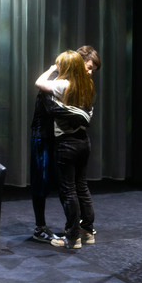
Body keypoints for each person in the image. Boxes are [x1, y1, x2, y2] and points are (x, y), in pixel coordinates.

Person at [29, 46, 100, 243]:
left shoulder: (77, 84)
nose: (90, 72)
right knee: (48, 183)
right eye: (88, 67)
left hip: (64, 140)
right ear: (76, 63)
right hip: (45, 137)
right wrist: (83, 116)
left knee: (71, 187)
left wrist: (83, 116)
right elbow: (54, 109)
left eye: (92, 69)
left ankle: (76, 230)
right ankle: (47, 228)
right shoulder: (60, 83)